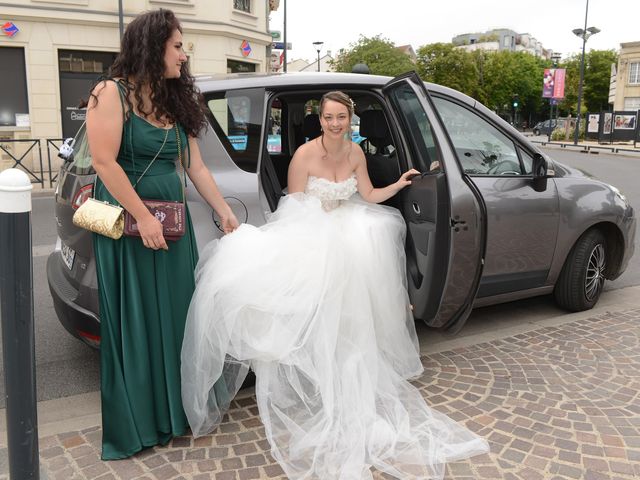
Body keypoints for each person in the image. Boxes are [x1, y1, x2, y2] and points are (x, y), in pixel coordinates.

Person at [181, 91, 489, 479]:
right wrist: (317, 223)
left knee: (370, 249)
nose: (335, 123)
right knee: (318, 277)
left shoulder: (357, 153)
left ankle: (347, 363)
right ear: (320, 118)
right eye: (328, 117)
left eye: (341, 117)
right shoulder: (304, 155)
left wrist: (398, 183)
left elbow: (368, 195)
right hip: (311, 230)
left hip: (350, 226)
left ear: (350, 118)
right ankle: (320, 368)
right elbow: (292, 205)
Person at [86, 9, 239, 460]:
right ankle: (141, 422)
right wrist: (144, 217)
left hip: (172, 228)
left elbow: (194, 166)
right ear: (153, 48)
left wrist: (223, 210)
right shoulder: (109, 93)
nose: (183, 54)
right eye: (177, 45)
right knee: (136, 323)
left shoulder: (175, 99)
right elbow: (104, 163)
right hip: (129, 227)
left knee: (176, 317)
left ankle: (176, 414)